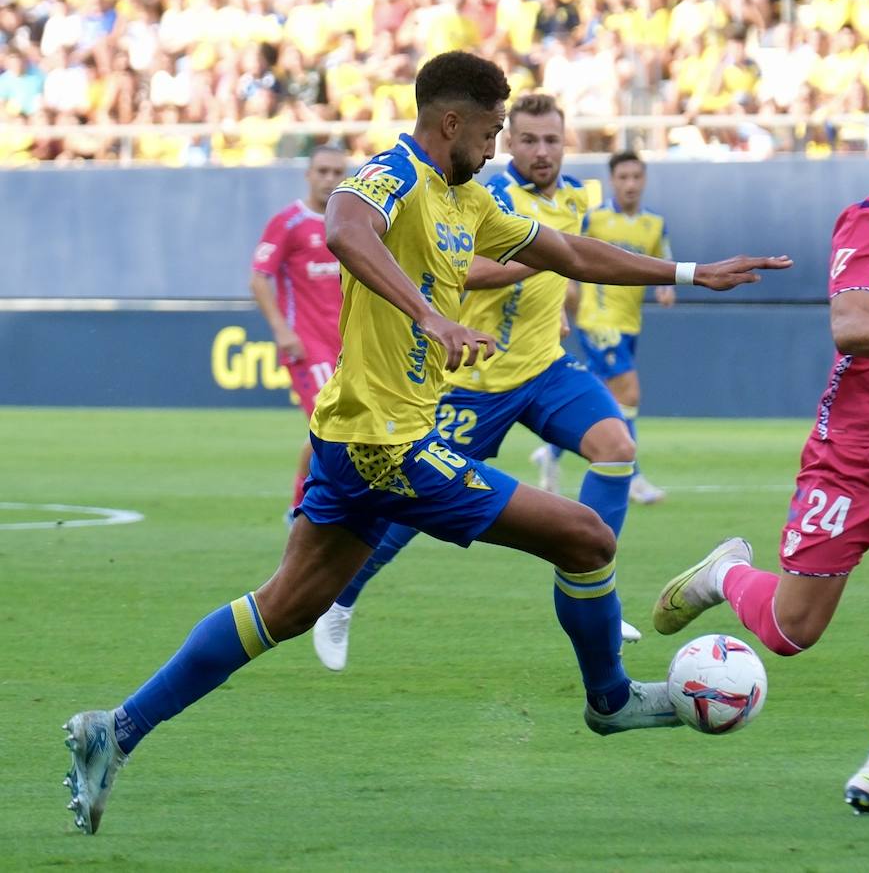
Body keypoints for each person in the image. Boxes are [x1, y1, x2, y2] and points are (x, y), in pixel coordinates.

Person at [61, 50, 789, 836]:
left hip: (357, 436)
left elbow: (568, 254)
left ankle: (116, 730)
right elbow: (344, 226)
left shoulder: (466, 197)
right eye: (492, 130)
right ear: (452, 123)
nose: (499, 144)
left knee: (283, 608)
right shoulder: (396, 174)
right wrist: (430, 314)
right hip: (383, 441)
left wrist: (689, 270)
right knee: (583, 538)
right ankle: (609, 700)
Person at [651, 85, 869, 818]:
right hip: (854, 454)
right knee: (792, 632)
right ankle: (728, 576)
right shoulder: (866, 225)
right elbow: (848, 325)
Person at [310, 93, 645, 670]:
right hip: (477, 377)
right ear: (509, 142)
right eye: (529, 139)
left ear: (567, 143)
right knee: (404, 512)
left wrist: (563, 297)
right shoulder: (482, 193)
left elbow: (569, 262)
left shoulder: (573, 197)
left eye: (552, 140)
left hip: (545, 367)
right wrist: (547, 260)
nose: (542, 151)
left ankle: (591, 589)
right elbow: (463, 269)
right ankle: (340, 599)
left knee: (616, 448)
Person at [532, 150, 675, 506]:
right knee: (629, 392)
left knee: (601, 395)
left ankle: (550, 452)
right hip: (598, 320)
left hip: (629, 323)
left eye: (636, 177)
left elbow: (663, 260)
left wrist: (667, 285)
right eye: (623, 177)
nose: (630, 184)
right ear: (613, 181)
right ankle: (634, 476)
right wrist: (567, 292)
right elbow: (565, 250)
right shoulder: (594, 219)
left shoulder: (654, 224)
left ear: (644, 180)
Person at [248, 144, 349, 520]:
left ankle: (324, 505)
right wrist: (281, 331)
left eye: (337, 172)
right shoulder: (289, 222)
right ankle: (299, 509)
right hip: (307, 346)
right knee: (329, 423)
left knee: (339, 427)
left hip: (346, 346)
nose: (329, 179)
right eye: (322, 171)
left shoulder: (349, 223)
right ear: (308, 174)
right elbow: (259, 278)